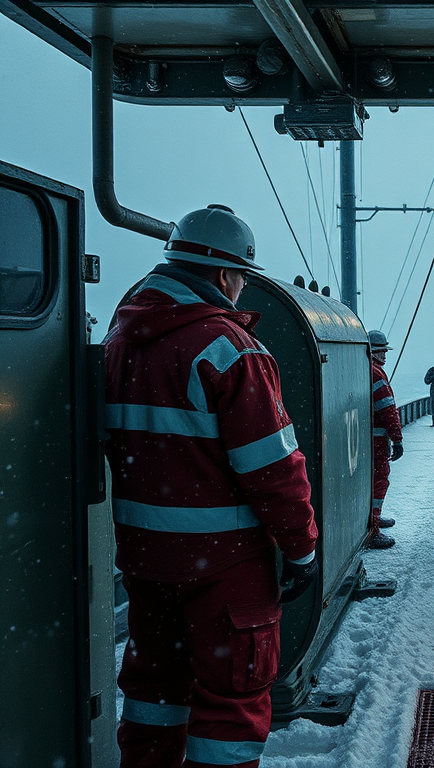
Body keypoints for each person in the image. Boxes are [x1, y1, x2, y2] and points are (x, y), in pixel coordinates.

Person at [104, 204, 319, 768]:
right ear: (225, 276)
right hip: (226, 570)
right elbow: (275, 470)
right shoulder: (229, 348)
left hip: (146, 562)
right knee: (230, 707)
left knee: (154, 694)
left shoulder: (119, 341)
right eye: (242, 278)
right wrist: (301, 550)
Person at [368, 330, 404, 549]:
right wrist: (397, 439)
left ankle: (374, 518)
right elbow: (388, 409)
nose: (385, 355)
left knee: (372, 483)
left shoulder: (365, 370)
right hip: (376, 442)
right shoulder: (376, 374)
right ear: (375, 352)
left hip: (367, 441)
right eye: (382, 350)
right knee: (379, 481)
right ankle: (373, 529)